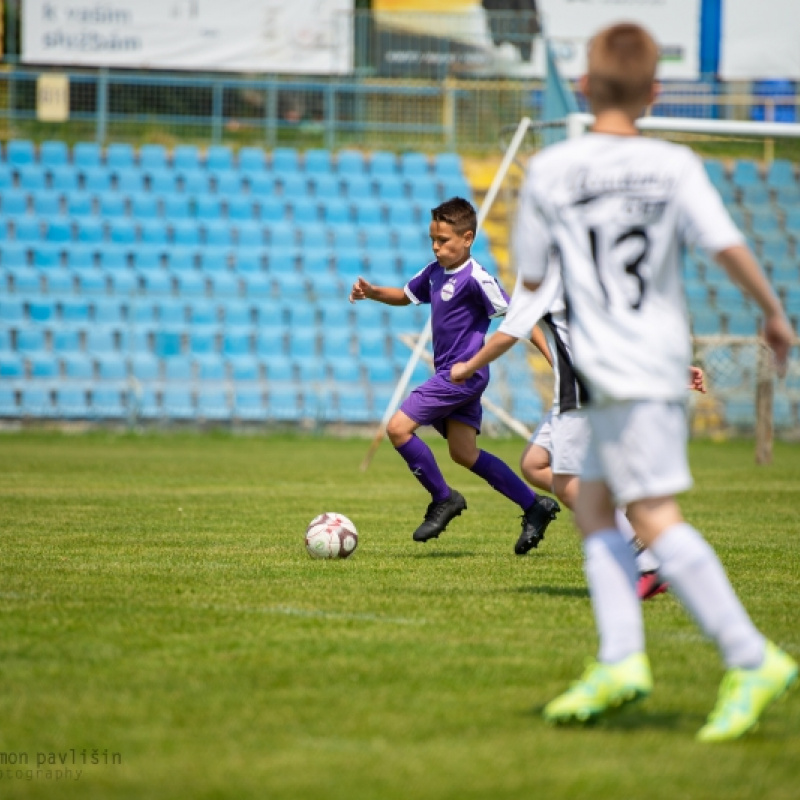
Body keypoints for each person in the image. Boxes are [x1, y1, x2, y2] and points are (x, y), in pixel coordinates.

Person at [509, 22, 797, 742]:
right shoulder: (674, 165)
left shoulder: (550, 171)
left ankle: (749, 654)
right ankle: (621, 661)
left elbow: (535, 277)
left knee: (653, 516)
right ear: (655, 92)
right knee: (597, 510)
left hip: (612, 367)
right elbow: (726, 245)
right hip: (654, 363)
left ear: (582, 86)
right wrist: (771, 313)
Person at [450, 262, 707, 598]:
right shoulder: (583, 282)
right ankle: (627, 525)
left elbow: (508, 334)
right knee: (533, 463)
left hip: (580, 396)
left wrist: (469, 366)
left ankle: (645, 557)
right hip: (574, 394)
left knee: (566, 484)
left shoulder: (545, 284)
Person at [348, 197, 560, 548]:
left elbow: (521, 318)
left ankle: (443, 498)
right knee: (464, 453)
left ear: (467, 238)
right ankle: (534, 505)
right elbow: (404, 295)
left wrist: (554, 362)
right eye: (433, 239)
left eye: (443, 240)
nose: (436, 247)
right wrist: (372, 293)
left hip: (463, 375)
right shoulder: (433, 272)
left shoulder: (477, 278)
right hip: (453, 375)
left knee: (399, 429)